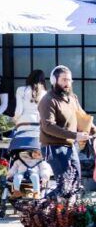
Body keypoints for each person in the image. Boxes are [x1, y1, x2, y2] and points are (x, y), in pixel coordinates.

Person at [39, 65, 95, 193]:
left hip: (70, 146)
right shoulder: (48, 100)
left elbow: (83, 118)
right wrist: (75, 135)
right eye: (64, 80)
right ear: (54, 81)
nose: (67, 83)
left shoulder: (72, 98)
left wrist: (94, 130)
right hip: (53, 147)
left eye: (69, 80)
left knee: (74, 184)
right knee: (65, 186)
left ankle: (63, 206)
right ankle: (42, 203)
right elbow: (48, 126)